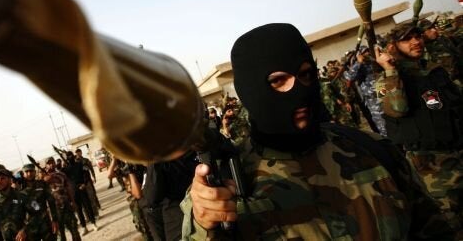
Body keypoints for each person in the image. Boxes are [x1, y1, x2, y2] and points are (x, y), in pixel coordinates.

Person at [181, 23, 454, 240]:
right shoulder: (226, 184)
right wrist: (204, 225)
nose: (298, 90)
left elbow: (433, 228)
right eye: (278, 81)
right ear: (250, 91)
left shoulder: (373, 150)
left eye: (306, 75)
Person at [375, 22, 463, 234]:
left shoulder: (435, 70)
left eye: (417, 36)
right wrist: (389, 70)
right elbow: (397, 109)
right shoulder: (389, 79)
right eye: (407, 39)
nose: (416, 41)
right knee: (451, 222)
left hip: (457, 151)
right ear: (393, 46)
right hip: (432, 165)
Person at [343, 46, 387, 135]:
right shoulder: (358, 65)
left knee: (390, 116)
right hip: (372, 98)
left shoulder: (374, 61)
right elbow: (348, 77)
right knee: (381, 122)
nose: (367, 53)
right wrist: (358, 63)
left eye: (368, 51)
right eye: (365, 52)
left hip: (382, 92)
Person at [43, 157, 81, 241]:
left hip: (66, 205)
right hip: (54, 210)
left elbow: (69, 188)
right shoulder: (43, 179)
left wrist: (73, 202)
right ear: (46, 166)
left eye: (52, 162)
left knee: (74, 230)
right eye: (49, 163)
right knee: (61, 235)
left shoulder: (61, 174)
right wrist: (45, 180)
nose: (51, 164)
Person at [20, 163, 59, 241]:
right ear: (23, 174)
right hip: (31, 227)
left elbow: (51, 202)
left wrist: (54, 220)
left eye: (31, 171)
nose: (29, 173)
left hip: (45, 223)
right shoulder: (19, 191)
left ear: (35, 172)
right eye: (26, 172)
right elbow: (19, 212)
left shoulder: (42, 184)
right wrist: (22, 229)